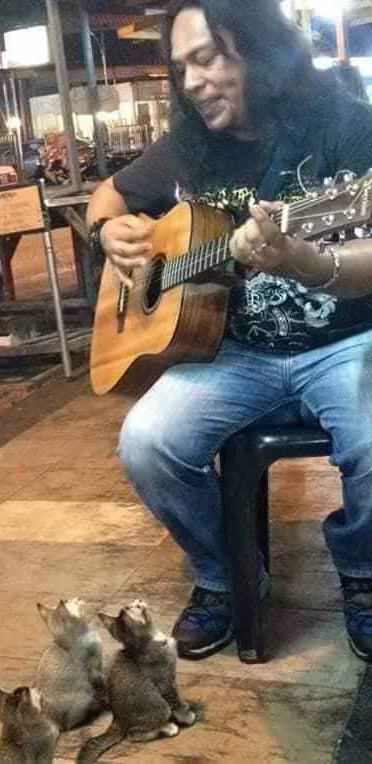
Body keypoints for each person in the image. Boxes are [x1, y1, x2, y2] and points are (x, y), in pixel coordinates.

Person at [86, 0, 372, 662]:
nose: (191, 82)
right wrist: (109, 233)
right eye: (181, 65)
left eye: (208, 58)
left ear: (259, 47)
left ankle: (362, 573)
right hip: (235, 353)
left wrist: (302, 257)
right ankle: (225, 575)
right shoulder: (188, 144)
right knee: (147, 441)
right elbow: (108, 196)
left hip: (347, 341)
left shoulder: (343, 125)